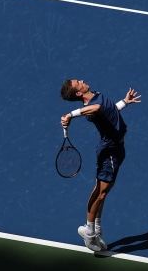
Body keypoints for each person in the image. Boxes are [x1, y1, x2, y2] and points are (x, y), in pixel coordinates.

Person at [60, 79, 141, 252]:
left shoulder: (95, 94)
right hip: (109, 151)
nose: (81, 80)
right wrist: (70, 115)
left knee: (102, 191)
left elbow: (110, 109)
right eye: (78, 83)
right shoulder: (90, 109)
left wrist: (125, 102)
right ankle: (89, 233)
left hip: (117, 148)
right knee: (101, 192)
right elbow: (97, 109)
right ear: (79, 93)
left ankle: (96, 229)